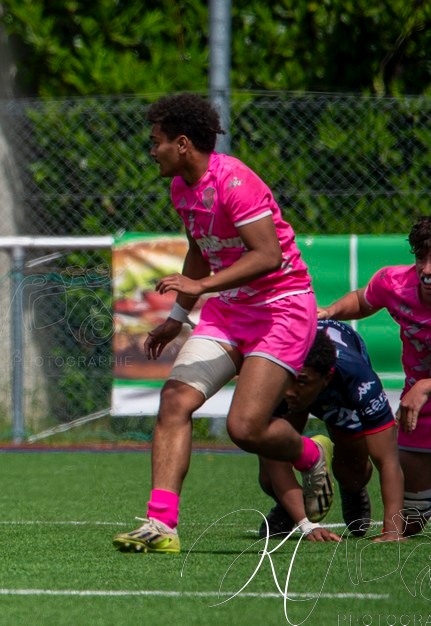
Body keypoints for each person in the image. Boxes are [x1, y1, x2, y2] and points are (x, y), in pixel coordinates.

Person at [112, 93, 333, 554]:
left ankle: (312, 453)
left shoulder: (235, 182)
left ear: (184, 143)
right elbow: (198, 250)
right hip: (229, 310)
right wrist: (176, 318)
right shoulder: (181, 188)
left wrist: (204, 286)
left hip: (282, 310)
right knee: (174, 400)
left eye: (156, 142)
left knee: (245, 429)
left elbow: (268, 256)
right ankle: (161, 525)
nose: (151, 150)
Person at [319, 213, 431, 537]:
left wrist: (427, 386)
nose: (427, 269)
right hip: (425, 404)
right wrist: (330, 311)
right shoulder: (394, 283)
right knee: (411, 521)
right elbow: (363, 301)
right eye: (421, 258)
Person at [257, 320, 405, 543]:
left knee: (353, 473)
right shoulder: (278, 376)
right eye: (289, 380)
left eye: (301, 382)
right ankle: (292, 508)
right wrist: (306, 524)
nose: (289, 391)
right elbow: (273, 459)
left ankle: (351, 489)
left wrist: (393, 530)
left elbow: (388, 460)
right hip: (305, 376)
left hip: (338, 392)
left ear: (326, 377)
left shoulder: (357, 378)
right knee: (268, 478)